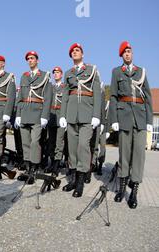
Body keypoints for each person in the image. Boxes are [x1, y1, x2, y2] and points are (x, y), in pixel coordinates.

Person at [109, 41, 153, 209]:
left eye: (130, 51)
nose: (128, 54)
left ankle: (134, 191)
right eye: (125, 52)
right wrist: (113, 118)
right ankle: (121, 189)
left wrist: (149, 121)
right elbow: (113, 96)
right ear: (121, 55)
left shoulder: (141, 72)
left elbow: (148, 97)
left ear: (132, 54)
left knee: (139, 156)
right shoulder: (116, 72)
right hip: (124, 117)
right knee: (124, 154)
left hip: (140, 118)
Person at [59, 43, 102, 198]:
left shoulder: (92, 70)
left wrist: (97, 115)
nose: (75, 53)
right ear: (71, 56)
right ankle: (73, 179)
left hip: (87, 113)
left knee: (83, 146)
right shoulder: (68, 73)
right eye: (72, 51)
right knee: (72, 148)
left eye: (77, 50)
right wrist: (62, 115)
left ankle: (80, 182)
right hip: (71, 114)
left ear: (82, 54)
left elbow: (97, 93)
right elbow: (65, 95)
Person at [15, 51, 52, 184]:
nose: (30, 60)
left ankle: (35, 169)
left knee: (35, 143)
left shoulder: (44, 76)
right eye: (28, 59)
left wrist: (45, 116)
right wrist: (18, 115)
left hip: (37, 113)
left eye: (32, 58)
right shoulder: (24, 77)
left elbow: (48, 98)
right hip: (24, 112)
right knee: (25, 143)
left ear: (37, 60)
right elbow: (20, 98)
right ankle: (28, 168)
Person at [45, 67, 66, 177]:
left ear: (61, 74)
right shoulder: (50, 87)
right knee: (51, 141)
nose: (56, 74)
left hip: (60, 116)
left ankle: (56, 165)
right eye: (54, 73)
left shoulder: (65, 87)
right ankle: (51, 163)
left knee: (59, 142)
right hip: (52, 116)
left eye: (58, 72)